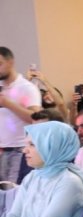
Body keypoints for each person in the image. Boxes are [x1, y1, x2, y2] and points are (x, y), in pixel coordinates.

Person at [0, 47, 42, 184]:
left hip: (20, 150)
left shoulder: (26, 88)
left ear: (10, 62)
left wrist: (8, 104)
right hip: (2, 149)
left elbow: (36, 118)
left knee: (14, 190)